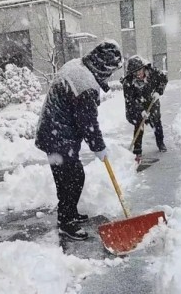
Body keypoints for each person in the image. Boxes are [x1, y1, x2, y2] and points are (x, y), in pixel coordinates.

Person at [35, 41, 123, 240]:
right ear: (103, 66)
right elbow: (88, 122)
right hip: (58, 136)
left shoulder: (79, 66)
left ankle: (69, 213)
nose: (110, 75)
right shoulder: (85, 84)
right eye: (110, 71)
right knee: (73, 178)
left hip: (53, 132)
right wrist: (98, 147)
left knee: (66, 178)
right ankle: (66, 221)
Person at [121, 55, 168, 163]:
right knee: (139, 125)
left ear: (144, 67)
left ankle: (160, 143)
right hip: (137, 106)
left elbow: (164, 79)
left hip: (152, 101)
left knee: (156, 123)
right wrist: (141, 110)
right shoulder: (128, 82)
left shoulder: (153, 72)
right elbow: (130, 99)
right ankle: (137, 151)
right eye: (135, 72)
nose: (138, 74)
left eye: (139, 70)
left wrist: (158, 91)